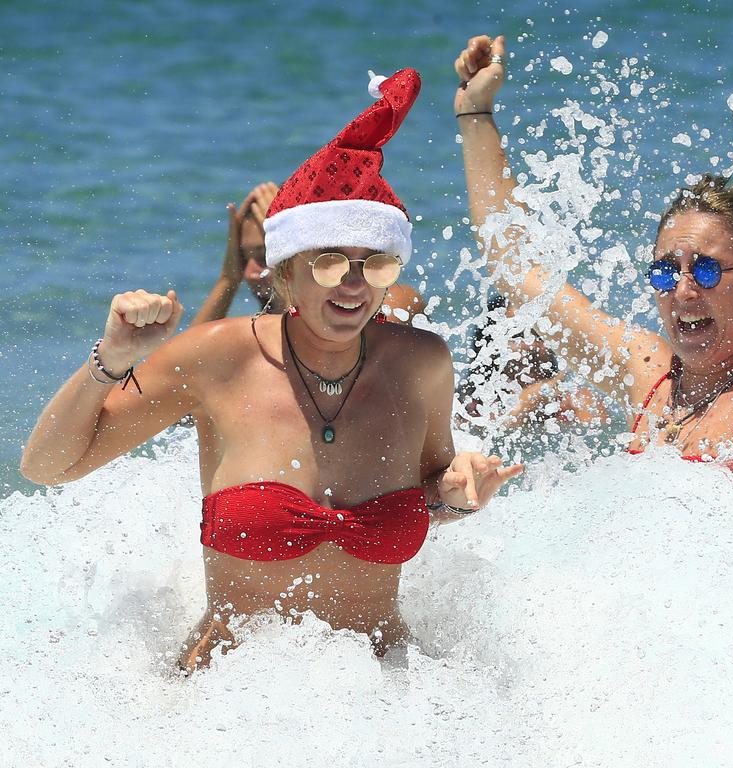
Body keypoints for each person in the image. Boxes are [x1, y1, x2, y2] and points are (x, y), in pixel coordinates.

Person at [20, 69, 522, 672]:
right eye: (330, 263)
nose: (355, 284)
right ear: (286, 273)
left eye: (376, 264)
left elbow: (429, 494)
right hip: (230, 695)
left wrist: (454, 496)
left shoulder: (421, 362)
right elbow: (47, 467)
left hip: (389, 694)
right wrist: (110, 364)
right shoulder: (216, 358)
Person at [453, 35, 733, 502]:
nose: (682, 292)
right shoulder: (647, 372)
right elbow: (518, 274)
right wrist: (475, 115)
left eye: (706, 271)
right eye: (665, 272)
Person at [191, 181, 428, 327]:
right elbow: (184, 378)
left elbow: (363, 346)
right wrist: (228, 279)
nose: (251, 273)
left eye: (267, 256)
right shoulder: (256, 334)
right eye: (244, 257)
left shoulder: (391, 301)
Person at [459, 295, 607, 429]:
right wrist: (531, 399)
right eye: (517, 335)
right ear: (489, 346)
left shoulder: (575, 400)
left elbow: (602, 434)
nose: (530, 345)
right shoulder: (465, 403)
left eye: (537, 334)